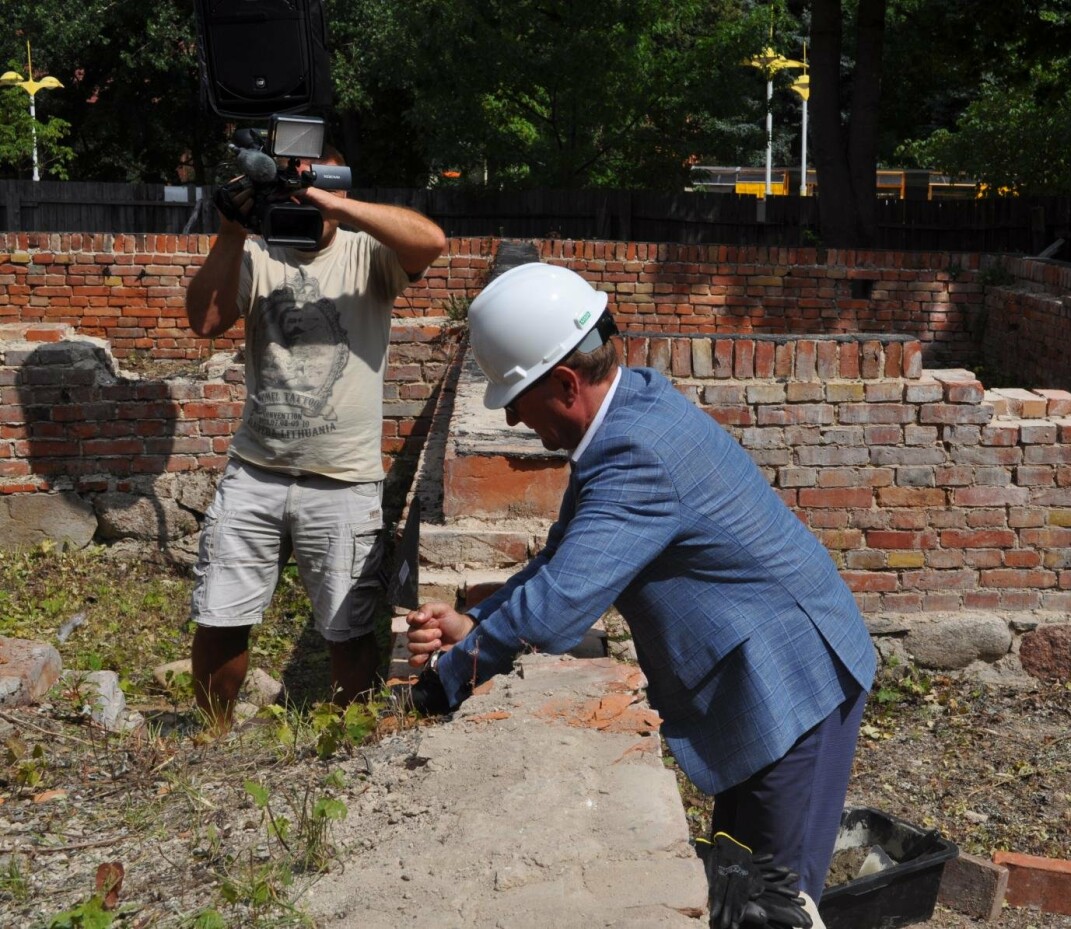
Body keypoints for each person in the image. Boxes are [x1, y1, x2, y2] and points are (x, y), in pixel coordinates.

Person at [404, 262, 876, 924]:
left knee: (771, 903)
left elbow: (561, 607)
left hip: (793, 677)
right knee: (737, 879)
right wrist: (475, 623)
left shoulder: (636, 454)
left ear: (566, 383)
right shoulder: (632, 409)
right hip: (766, 666)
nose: (511, 415)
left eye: (515, 395)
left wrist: (444, 681)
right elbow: (562, 560)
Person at [186, 146, 447, 729]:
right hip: (256, 472)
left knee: (347, 630)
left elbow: (429, 241)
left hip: (344, 479)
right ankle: (211, 736)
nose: (299, 202)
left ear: (334, 183)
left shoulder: (366, 255)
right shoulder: (258, 255)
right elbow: (204, 322)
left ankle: (349, 740)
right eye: (287, 188)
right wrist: (230, 232)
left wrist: (331, 202)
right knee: (220, 618)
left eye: (310, 184)